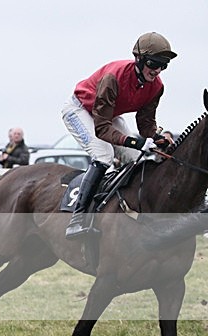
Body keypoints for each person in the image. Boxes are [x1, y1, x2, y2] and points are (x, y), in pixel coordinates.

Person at [61, 32, 175, 239]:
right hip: (80, 111)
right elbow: (102, 128)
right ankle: (76, 220)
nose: (157, 70)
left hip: (108, 115)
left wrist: (157, 139)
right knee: (103, 155)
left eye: (163, 65)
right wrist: (135, 141)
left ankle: (122, 211)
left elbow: (146, 124)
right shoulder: (114, 77)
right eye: (153, 63)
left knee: (133, 158)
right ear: (139, 59)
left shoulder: (156, 86)